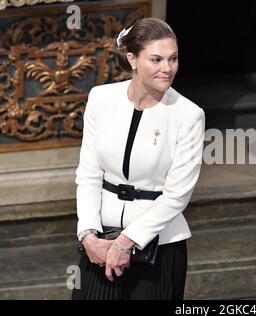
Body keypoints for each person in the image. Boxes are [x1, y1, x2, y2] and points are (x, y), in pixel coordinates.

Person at [72, 17, 205, 300]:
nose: (167, 69)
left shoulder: (188, 114)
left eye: (173, 59)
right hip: (100, 244)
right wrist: (88, 235)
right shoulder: (101, 98)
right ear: (132, 59)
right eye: (156, 59)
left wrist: (126, 242)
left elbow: (177, 195)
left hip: (159, 247)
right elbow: (88, 175)